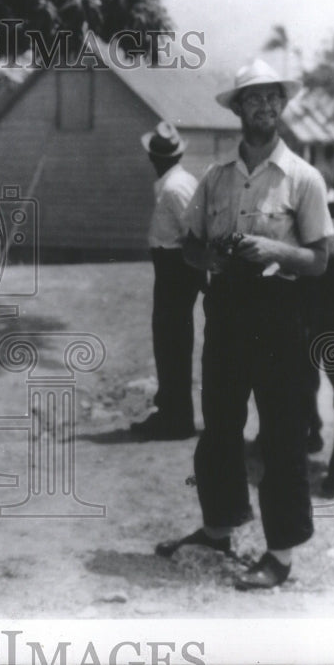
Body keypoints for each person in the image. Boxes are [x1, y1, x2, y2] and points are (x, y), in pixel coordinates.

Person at [155, 59, 334, 590]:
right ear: (238, 109)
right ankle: (218, 529)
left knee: (280, 434)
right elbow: (186, 245)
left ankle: (279, 556)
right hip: (227, 312)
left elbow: (319, 259)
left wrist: (274, 247)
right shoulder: (214, 177)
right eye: (252, 98)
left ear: (283, 106)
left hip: (280, 317)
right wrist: (206, 258)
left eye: (272, 98)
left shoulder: (304, 177)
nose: (264, 106)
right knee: (220, 426)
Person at [130, 121, 205, 440]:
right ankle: (171, 410)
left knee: (172, 340)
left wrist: (196, 274)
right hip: (168, 266)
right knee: (167, 339)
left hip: (177, 268)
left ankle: (177, 418)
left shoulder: (176, 188)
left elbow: (197, 231)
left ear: (157, 159)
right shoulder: (170, 183)